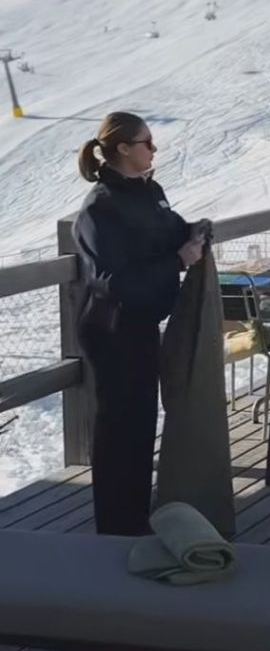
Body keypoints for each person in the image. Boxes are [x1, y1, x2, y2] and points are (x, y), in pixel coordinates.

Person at [73, 113, 207, 536]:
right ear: (124, 149)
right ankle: (115, 524)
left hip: (141, 321)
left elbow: (169, 231)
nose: (155, 149)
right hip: (111, 327)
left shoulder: (149, 192)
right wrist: (178, 260)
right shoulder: (101, 206)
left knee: (142, 420)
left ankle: (134, 515)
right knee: (118, 426)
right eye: (148, 143)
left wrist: (197, 232)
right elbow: (112, 280)